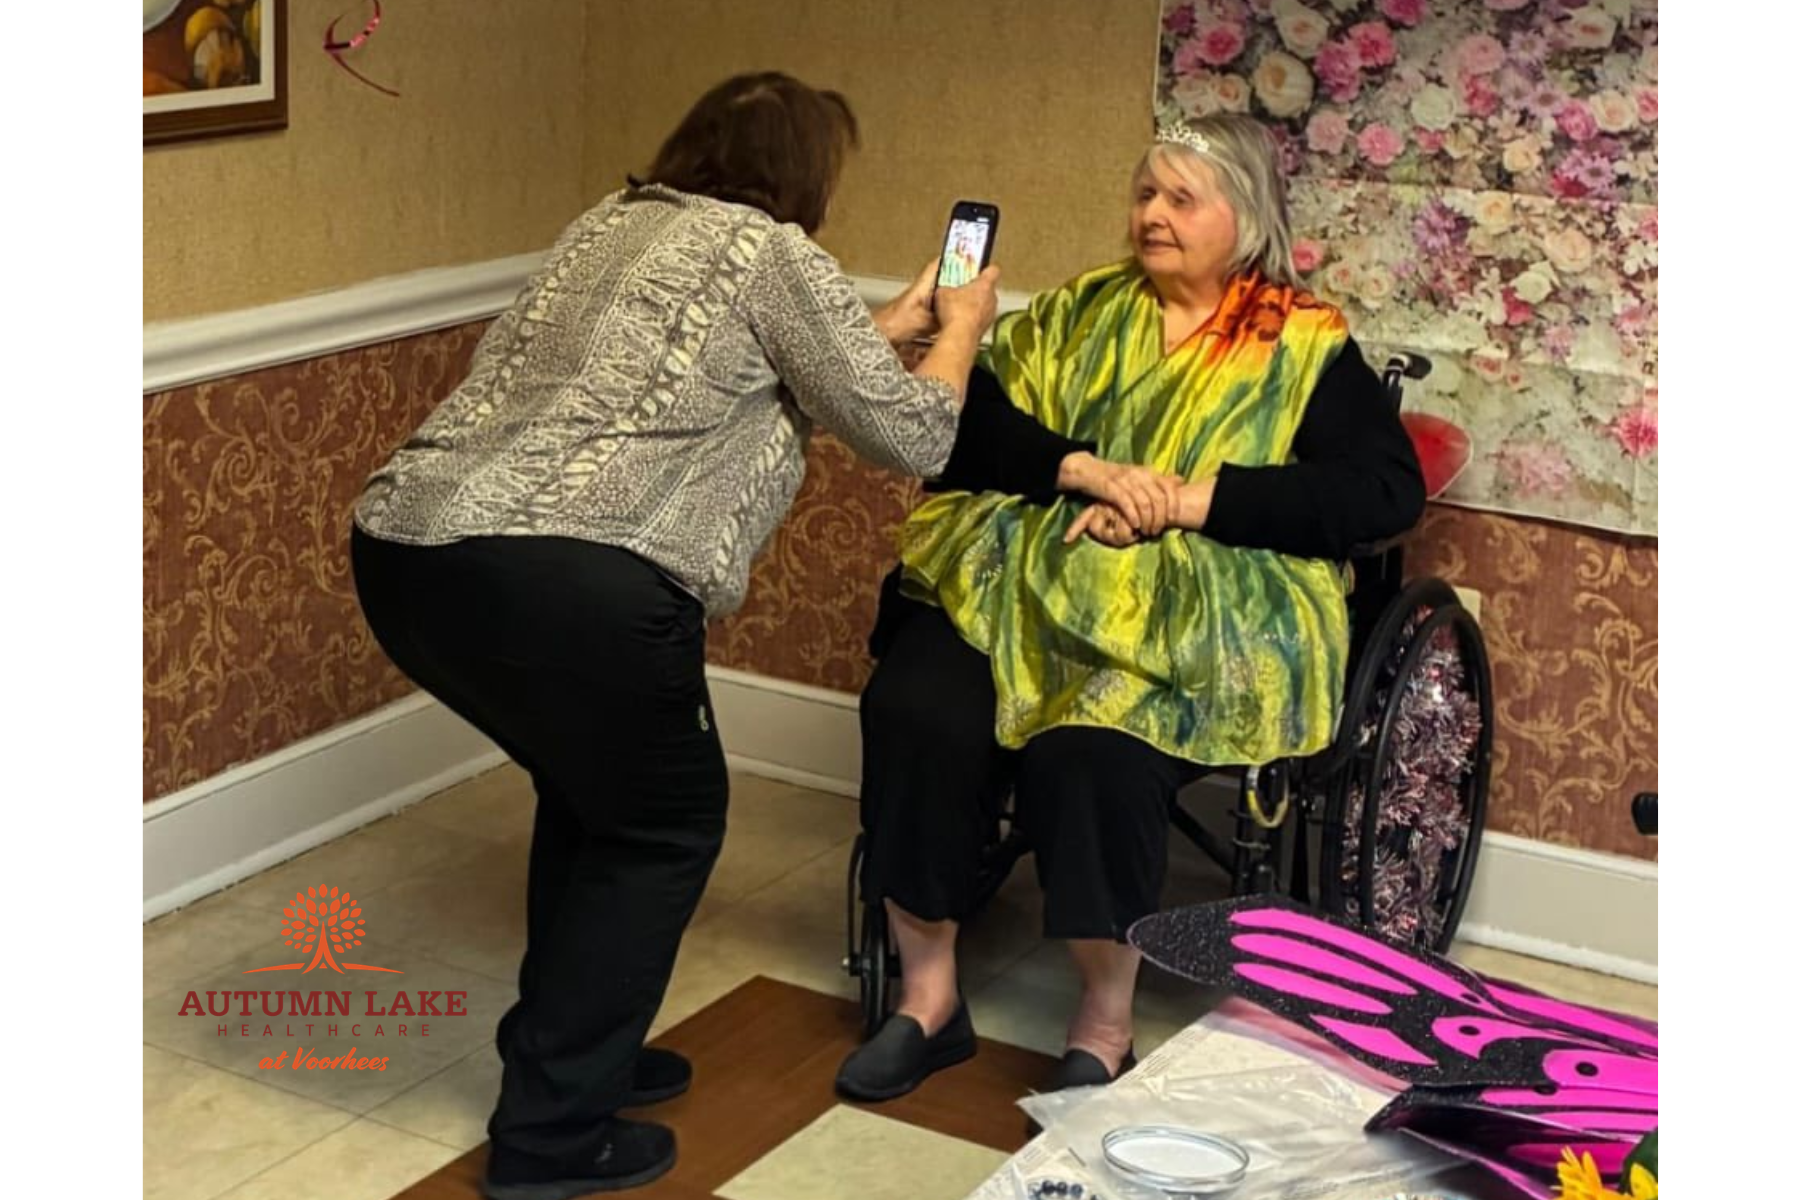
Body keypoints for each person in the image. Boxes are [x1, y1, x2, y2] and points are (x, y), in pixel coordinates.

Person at [347, 71, 1006, 1199]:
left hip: (408, 551)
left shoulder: (610, 223)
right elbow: (912, 432)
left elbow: (726, 363)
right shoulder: (770, 252)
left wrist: (889, 323)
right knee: (662, 825)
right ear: (807, 174)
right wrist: (962, 330)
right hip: (574, 581)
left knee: (596, 790)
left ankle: (572, 1053)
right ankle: (551, 1142)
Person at [835, 114, 1427, 1104]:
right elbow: (963, 424)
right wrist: (1084, 477)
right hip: (1024, 575)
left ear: (1245, 220)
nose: (1152, 214)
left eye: (1180, 199)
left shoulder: (1301, 344)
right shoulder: (1079, 313)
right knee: (917, 709)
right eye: (1145, 194)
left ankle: (1104, 1025)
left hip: (1205, 606)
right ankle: (927, 999)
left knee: (1095, 753)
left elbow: (1380, 493)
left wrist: (1185, 503)